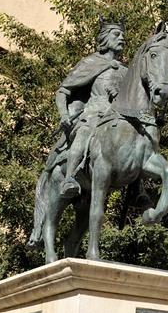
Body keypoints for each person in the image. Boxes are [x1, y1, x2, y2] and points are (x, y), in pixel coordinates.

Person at [55, 19, 128, 198]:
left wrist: (119, 93)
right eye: (116, 34)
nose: (122, 38)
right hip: (93, 114)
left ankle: (136, 190)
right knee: (85, 132)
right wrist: (64, 114)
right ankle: (70, 178)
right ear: (105, 38)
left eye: (123, 35)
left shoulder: (126, 71)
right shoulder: (91, 62)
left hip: (118, 119)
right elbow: (63, 91)